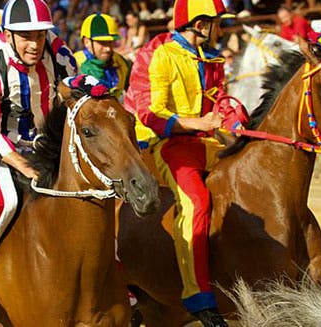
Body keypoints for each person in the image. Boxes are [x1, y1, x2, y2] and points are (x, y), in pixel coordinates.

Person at [0, 0, 77, 316]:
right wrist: (24, 166)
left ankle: (112, 265)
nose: (34, 44)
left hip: (44, 143)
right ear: (7, 34)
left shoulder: (57, 48)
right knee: (7, 200)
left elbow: (72, 83)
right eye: (25, 36)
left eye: (39, 35)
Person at [123, 0, 230, 326]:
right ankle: (198, 296)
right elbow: (150, 113)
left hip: (208, 143)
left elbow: (221, 100)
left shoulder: (213, 58)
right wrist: (197, 124)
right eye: (216, 22)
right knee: (196, 202)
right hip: (170, 144)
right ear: (200, 25)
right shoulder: (158, 53)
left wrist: (232, 116)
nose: (221, 28)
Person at [74, 13, 131, 100]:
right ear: (86, 42)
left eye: (111, 42)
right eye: (102, 42)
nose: (108, 48)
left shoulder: (122, 63)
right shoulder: (74, 63)